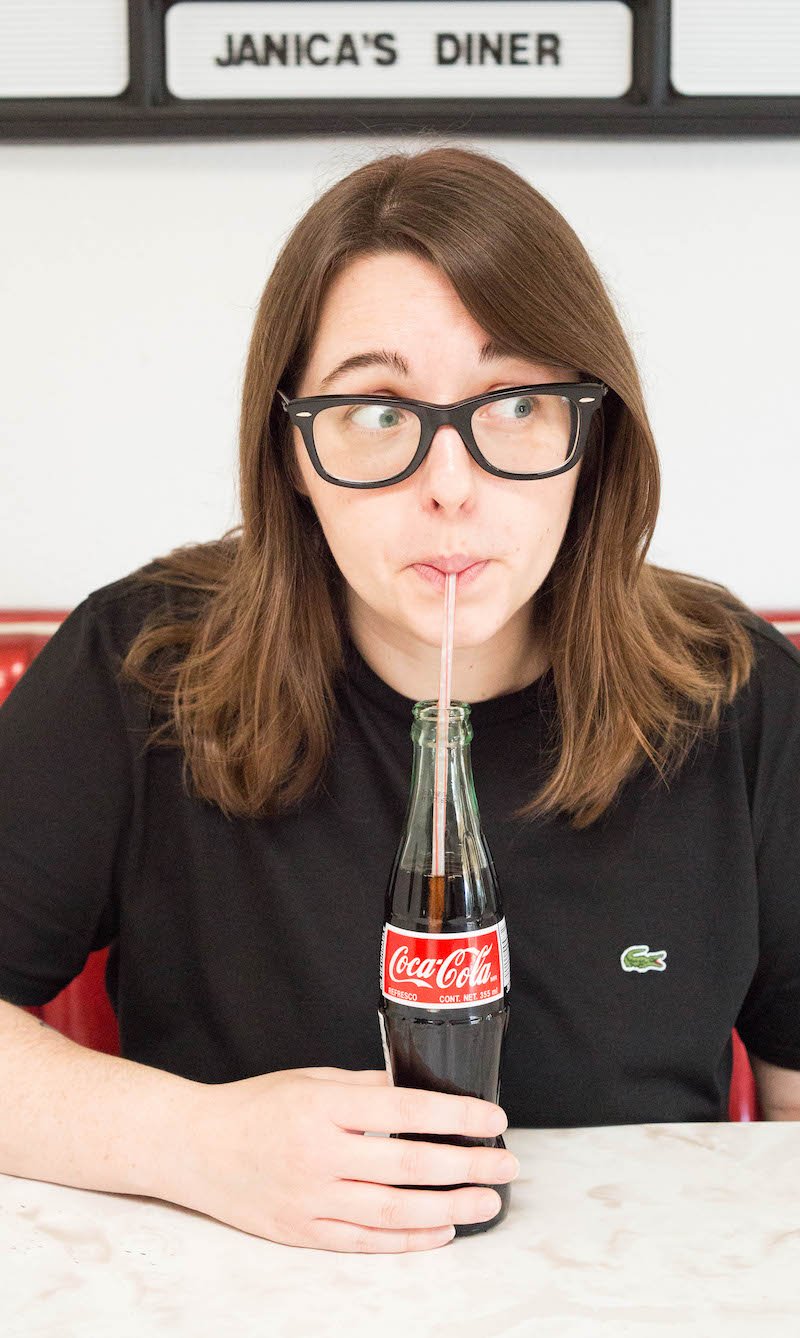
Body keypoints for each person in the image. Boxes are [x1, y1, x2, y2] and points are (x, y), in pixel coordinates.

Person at [1, 146, 799, 1256]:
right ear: (292, 451)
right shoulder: (143, 665)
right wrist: (190, 1139)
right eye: (376, 411)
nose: (450, 485)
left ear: (591, 434)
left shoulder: (736, 697)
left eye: (515, 402)